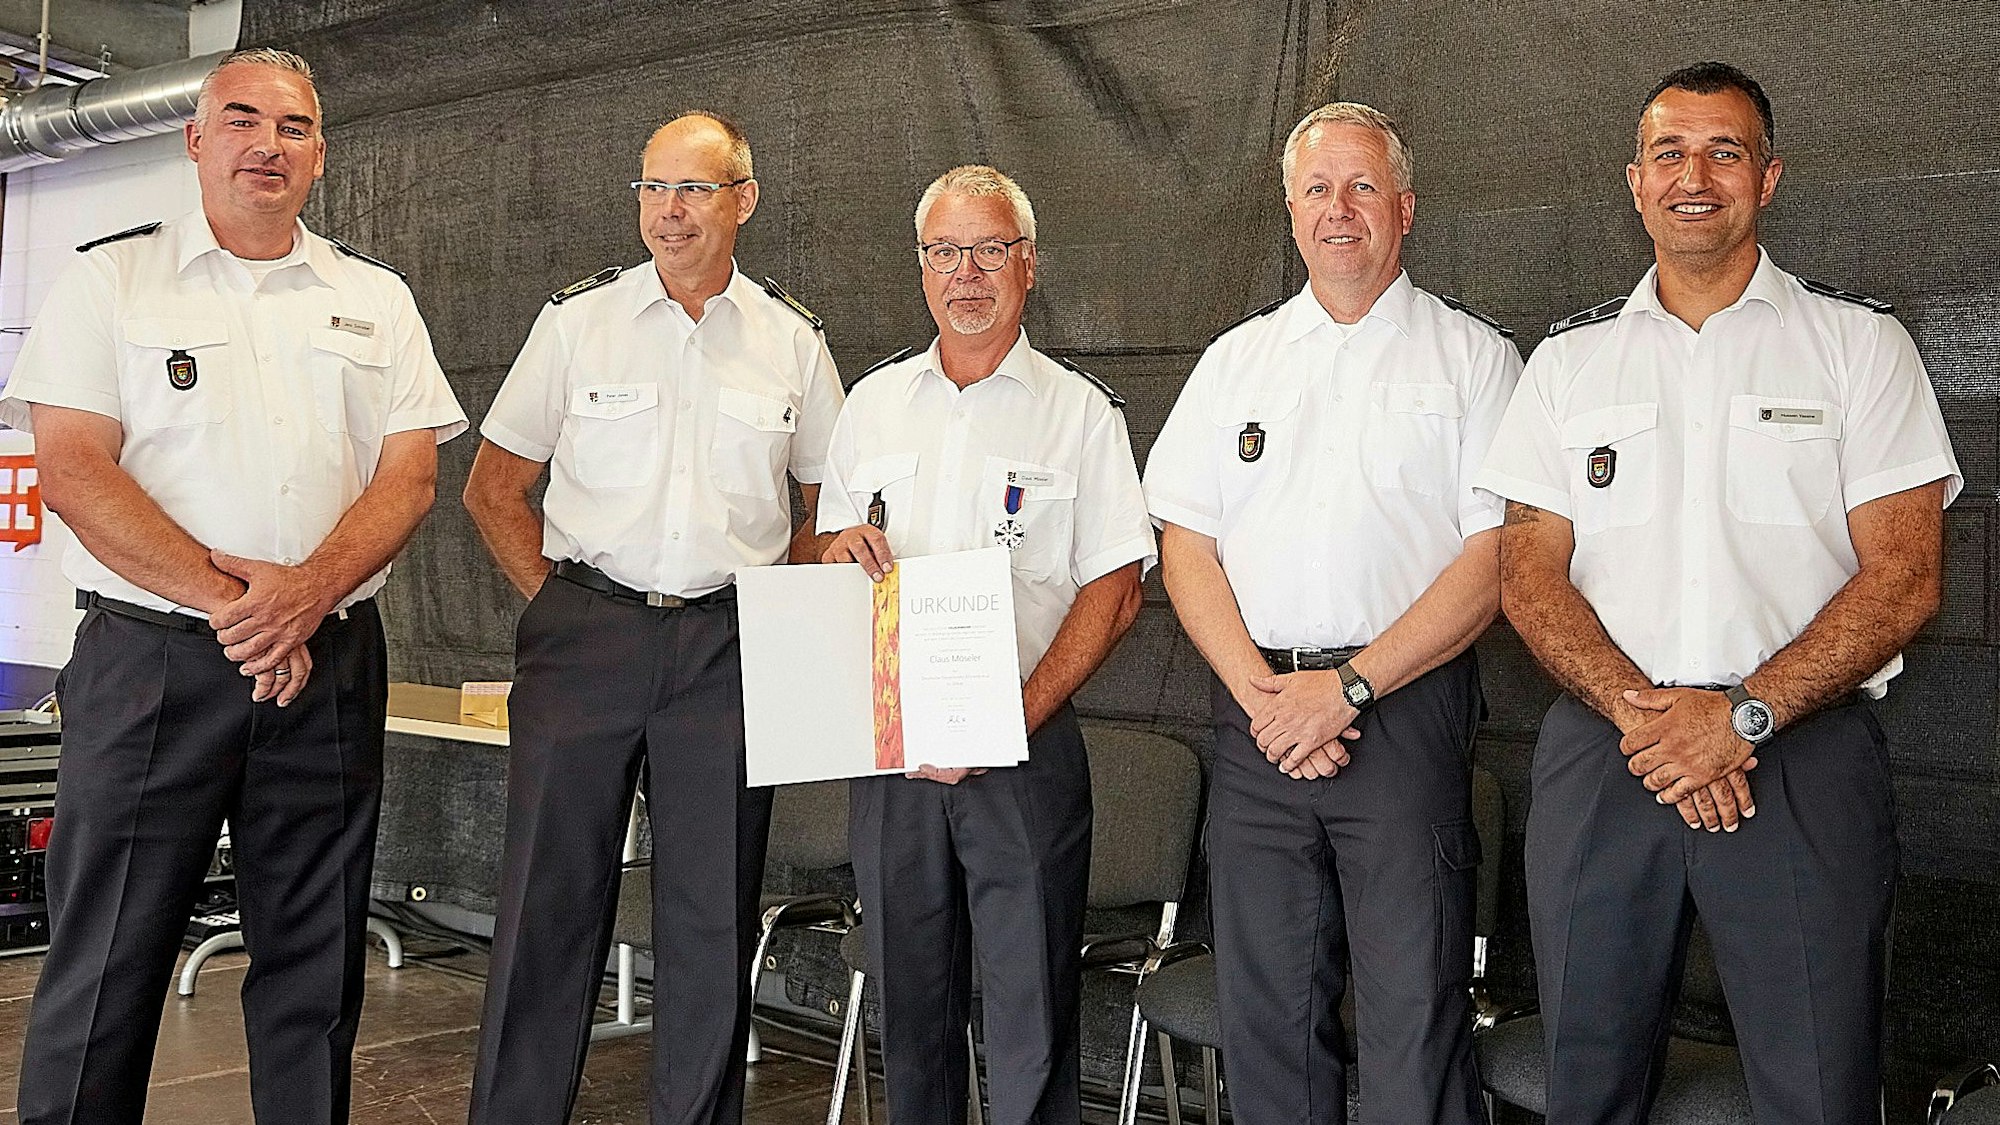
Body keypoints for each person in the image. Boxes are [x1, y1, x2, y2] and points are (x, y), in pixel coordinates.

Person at [1475, 62, 1959, 1123]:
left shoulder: (1858, 348)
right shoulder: (1565, 363)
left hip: (1797, 761)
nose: (1693, 175)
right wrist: (1650, 719)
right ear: (1634, 183)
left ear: (1767, 178)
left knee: (1815, 1088)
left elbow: (1904, 574)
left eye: (1723, 151)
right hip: (1610, 757)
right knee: (1587, 1083)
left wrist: (1739, 717)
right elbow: (1526, 572)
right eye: (1667, 153)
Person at [0, 47, 466, 1125]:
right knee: (105, 958)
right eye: (243, 120)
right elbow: (73, 470)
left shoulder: (375, 297)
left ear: (319, 153)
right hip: (154, 662)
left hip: (330, 659)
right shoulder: (109, 281)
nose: (268, 143)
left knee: (313, 963)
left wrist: (307, 593)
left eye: (294, 126)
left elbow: (409, 473)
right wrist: (244, 605)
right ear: (196, 140)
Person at [462, 110, 843, 1125]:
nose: (668, 212)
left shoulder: (792, 341)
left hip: (726, 647)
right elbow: (494, 487)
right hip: (588, 631)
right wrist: (559, 604)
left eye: (693, 190)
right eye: (652, 189)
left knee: (709, 916)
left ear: (743, 200)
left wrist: (783, 603)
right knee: (547, 902)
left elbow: (829, 508)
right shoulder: (576, 322)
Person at [1143, 103, 1518, 1123]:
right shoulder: (1237, 362)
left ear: (1403, 208)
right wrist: (1266, 696)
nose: (1337, 209)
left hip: (1399, 718)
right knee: (1264, 1016)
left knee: (1410, 1017)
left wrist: (1344, 689)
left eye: (1360, 187)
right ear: (1288, 211)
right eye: (1315, 189)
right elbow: (1185, 542)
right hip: (1256, 715)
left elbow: (1493, 559)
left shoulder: (1474, 360)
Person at [816, 165, 1154, 1124]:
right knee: (910, 1013)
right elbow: (827, 551)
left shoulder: (1079, 412)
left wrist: (1010, 714)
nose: (967, 272)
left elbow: (1118, 589)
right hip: (894, 756)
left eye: (990, 249)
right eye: (945, 251)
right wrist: (832, 546)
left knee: (1030, 1018)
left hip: (1025, 746)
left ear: (1028, 265)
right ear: (922, 268)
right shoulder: (872, 405)